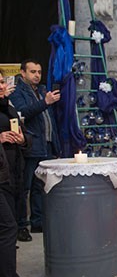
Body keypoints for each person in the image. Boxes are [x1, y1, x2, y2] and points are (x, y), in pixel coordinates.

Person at [0, 70, 50, 277]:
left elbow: (24, 133)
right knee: (8, 229)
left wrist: (22, 140)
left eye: (2, 81)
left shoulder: (6, 107)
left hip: (10, 176)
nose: (2, 86)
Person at [9, 59, 60, 241]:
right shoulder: (17, 92)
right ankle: (21, 225)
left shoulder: (42, 90)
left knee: (40, 186)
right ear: (23, 73)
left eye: (39, 72)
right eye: (32, 72)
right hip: (30, 145)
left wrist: (55, 144)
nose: (37, 75)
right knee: (25, 187)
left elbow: (49, 120)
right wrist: (45, 102)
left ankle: (37, 221)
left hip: (45, 144)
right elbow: (22, 113)